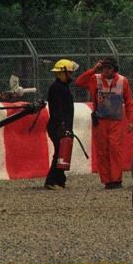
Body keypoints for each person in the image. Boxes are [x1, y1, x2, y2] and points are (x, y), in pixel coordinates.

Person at [74, 57, 133, 189]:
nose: (105, 70)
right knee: (102, 151)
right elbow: (79, 82)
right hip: (100, 121)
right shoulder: (95, 79)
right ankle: (107, 180)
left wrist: (132, 122)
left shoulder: (122, 81)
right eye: (103, 67)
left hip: (116, 121)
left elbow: (129, 103)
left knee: (115, 149)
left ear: (114, 69)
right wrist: (93, 69)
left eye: (108, 68)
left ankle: (116, 180)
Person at [43, 59, 78, 190]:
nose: (71, 75)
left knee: (63, 153)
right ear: (63, 72)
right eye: (69, 72)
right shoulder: (56, 88)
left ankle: (59, 180)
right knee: (59, 153)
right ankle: (51, 181)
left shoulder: (63, 87)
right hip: (57, 126)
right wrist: (63, 126)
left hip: (62, 126)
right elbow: (57, 110)